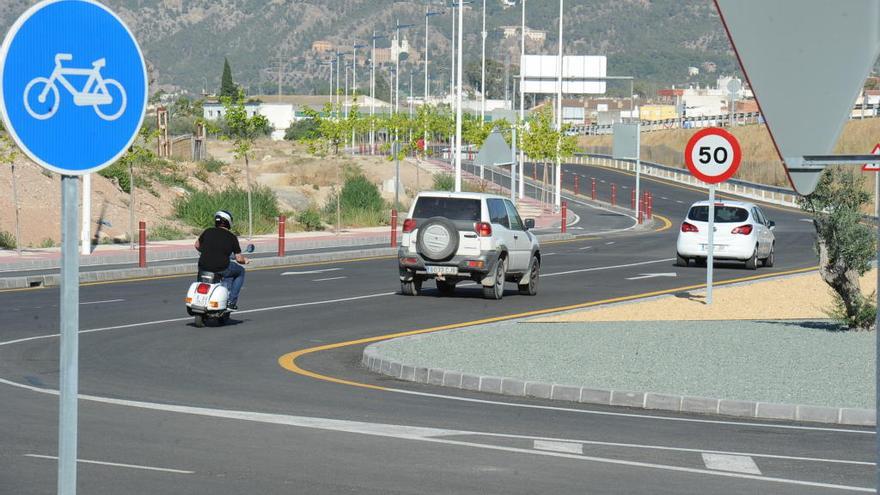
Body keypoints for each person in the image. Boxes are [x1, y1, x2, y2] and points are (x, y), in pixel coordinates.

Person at [194, 210, 248, 310]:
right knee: (240, 271)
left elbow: (197, 245)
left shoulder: (207, 231)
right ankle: (231, 302)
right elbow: (239, 258)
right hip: (222, 268)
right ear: (228, 222)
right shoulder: (232, 237)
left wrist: (206, 251)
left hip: (203, 266)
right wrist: (245, 261)